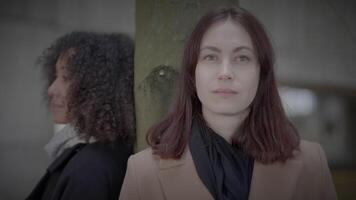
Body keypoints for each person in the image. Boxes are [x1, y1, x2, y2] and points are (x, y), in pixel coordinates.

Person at [119, 7, 337, 200]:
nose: (226, 73)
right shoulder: (143, 172)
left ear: (262, 74)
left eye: (242, 58)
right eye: (211, 57)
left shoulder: (311, 164)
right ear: (192, 73)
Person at [26, 31, 135, 200]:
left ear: (98, 88)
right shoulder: (103, 153)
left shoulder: (91, 168)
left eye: (66, 77)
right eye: (56, 76)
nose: (51, 89)